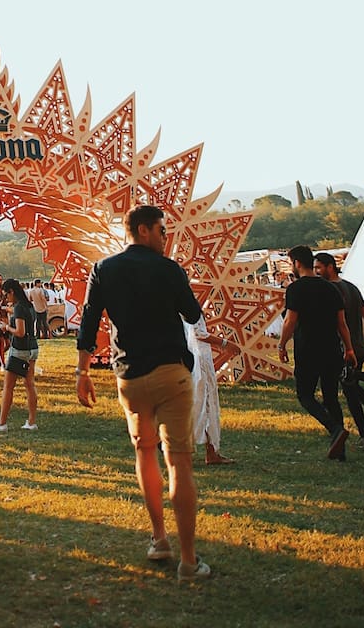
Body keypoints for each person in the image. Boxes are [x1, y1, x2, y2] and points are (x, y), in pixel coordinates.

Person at [76, 205, 210, 583]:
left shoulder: (104, 269)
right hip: (171, 372)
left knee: (145, 453)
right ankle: (188, 560)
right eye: (162, 231)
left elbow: (89, 320)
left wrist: (82, 371)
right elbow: (191, 311)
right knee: (179, 461)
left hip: (130, 376)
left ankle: (158, 537)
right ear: (145, 230)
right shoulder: (167, 269)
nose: (166, 237)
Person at [278, 245, 357, 461]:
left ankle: (334, 430)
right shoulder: (331, 288)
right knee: (331, 397)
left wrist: (282, 345)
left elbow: (290, 321)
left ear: (296, 263)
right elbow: (342, 324)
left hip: (307, 349)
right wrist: (349, 348)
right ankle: (340, 451)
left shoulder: (296, 289)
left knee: (305, 395)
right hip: (331, 348)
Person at [314, 252, 364, 448]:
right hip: (357, 346)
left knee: (350, 388)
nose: (316, 272)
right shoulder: (351, 287)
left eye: (318, 268)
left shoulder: (330, 290)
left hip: (344, 348)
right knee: (351, 389)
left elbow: (336, 323)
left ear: (329, 266)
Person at [0, 278, 39, 432]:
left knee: (8, 387)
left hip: (20, 349)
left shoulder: (18, 308)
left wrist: (7, 327)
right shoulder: (29, 306)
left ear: (12, 292)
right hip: (33, 347)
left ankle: (2, 423)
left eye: (7, 295)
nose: (6, 299)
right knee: (29, 384)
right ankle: (31, 422)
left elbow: (20, 332)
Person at [184, 316, 233, 464]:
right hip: (200, 362)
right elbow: (199, 333)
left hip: (196, 358)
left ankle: (211, 451)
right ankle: (191, 449)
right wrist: (225, 343)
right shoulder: (189, 307)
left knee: (206, 404)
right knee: (203, 404)